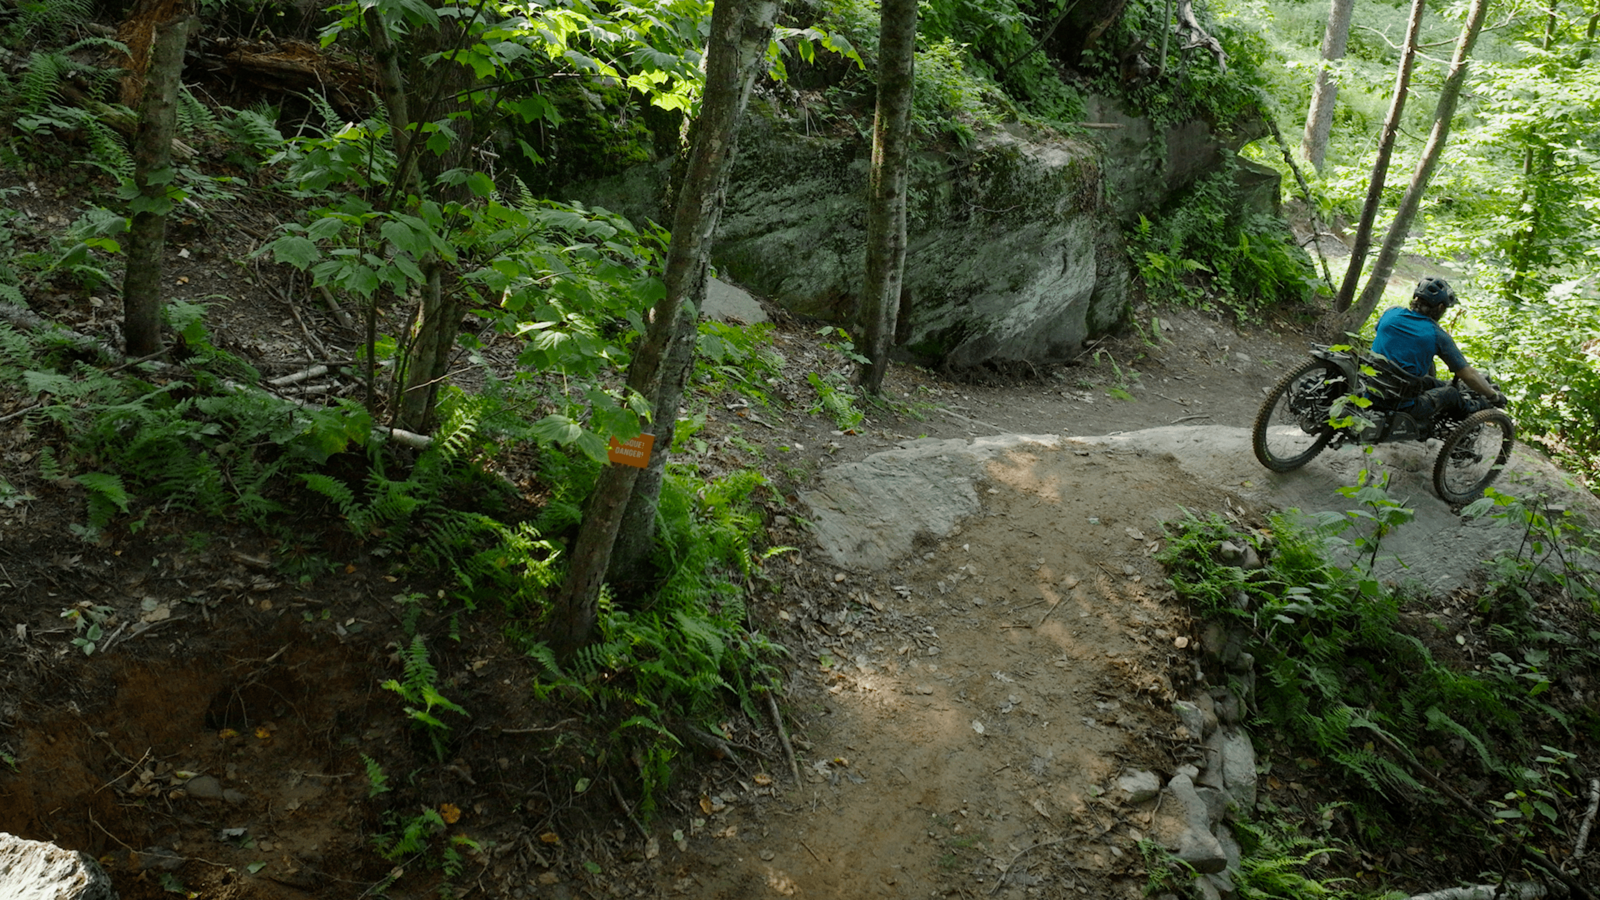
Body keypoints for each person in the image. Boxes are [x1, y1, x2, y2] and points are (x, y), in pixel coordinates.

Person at [1369, 276, 1503, 422]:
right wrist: (1493, 396)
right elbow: (1467, 373)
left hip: (1370, 389)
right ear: (1440, 307)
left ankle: (1467, 392)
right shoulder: (1436, 335)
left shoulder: (1391, 313)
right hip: (1400, 404)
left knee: (1430, 382)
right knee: (1451, 393)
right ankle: (1477, 408)